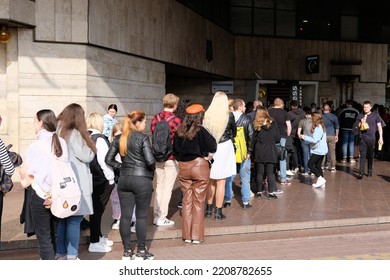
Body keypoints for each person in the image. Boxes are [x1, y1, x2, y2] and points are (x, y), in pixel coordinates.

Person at [105, 110, 156, 260]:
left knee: (125, 217)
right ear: (137, 123)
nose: (145, 124)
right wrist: (150, 171)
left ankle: (127, 251)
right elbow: (151, 161)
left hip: (125, 180)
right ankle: (141, 250)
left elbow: (108, 159)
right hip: (142, 180)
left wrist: (121, 168)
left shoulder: (120, 138)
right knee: (141, 216)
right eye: (144, 121)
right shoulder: (143, 138)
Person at [18, 110, 62, 259]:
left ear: (41, 122)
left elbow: (26, 174)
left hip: (40, 195)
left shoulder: (35, 146)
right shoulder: (61, 142)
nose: (33, 124)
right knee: (55, 234)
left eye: (34, 121)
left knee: (44, 238)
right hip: (59, 195)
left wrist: (24, 178)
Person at [56, 103, 96, 260]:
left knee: (62, 220)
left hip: (62, 183)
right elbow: (87, 156)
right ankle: (72, 255)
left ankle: (60, 254)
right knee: (74, 220)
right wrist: (90, 143)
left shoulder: (58, 132)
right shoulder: (75, 134)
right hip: (77, 183)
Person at [173, 104, 217, 243]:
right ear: (200, 116)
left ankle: (186, 236)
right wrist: (208, 157)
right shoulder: (202, 130)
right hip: (199, 166)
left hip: (184, 167)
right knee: (198, 202)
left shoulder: (179, 130)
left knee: (187, 201)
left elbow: (175, 150)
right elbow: (213, 146)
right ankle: (196, 236)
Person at [204, 91, 236, 219]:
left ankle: (208, 208)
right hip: (224, 146)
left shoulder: (207, 115)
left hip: (211, 146)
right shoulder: (229, 115)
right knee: (221, 181)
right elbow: (233, 131)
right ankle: (218, 211)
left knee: (211, 180)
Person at [150, 93, 181, 226]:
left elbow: (153, 135)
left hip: (157, 157)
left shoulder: (155, 118)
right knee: (167, 188)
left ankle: (156, 215)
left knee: (158, 187)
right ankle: (162, 217)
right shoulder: (176, 121)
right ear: (174, 105)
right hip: (171, 157)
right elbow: (178, 140)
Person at [86, 113, 115, 253]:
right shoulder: (100, 139)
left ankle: (98, 236)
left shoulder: (85, 136)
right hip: (101, 179)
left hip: (89, 178)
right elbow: (105, 162)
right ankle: (94, 241)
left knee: (96, 209)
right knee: (98, 210)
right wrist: (111, 178)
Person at [225, 99, 255, 208]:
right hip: (243, 151)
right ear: (241, 107)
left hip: (230, 150)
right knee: (245, 175)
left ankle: (227, 199)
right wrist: (249, 151)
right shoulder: (247, 118)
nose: (246, 108)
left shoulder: (227, 117)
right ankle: (245, 201)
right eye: (244, 106)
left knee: (229, 175)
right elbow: (251, 135)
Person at [251, 106, 281, 199]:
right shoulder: (273, 122)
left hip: (259, 150)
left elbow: (253, 139)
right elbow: (277, 138)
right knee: (270, 172)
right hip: (271, 150)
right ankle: (271, 193)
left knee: (259, 172)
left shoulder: (255, 123)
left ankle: (259, 192)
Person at [354, 101, 384, 179]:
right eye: (364, 107)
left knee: (370, 155)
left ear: (370, 108)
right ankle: (361, 172)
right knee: (362, 155)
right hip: (362, 138)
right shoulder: (360, 116)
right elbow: (356, 126)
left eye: (367, 107)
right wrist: (361, 122)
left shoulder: (375, 115)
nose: (365, 108)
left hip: (371, 138)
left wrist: (381, 137)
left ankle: (370, 169)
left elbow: (380, 127)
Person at [299, 112, 328, 188]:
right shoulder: (322, 126)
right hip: (322, 149)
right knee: (318, 166)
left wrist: (304, 137)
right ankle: (321, 182)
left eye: (312, 118)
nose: (311, 119)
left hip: (318, 150)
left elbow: (315, 140)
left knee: (310, 164)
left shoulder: (318, 127)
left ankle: (320, 178)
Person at [268, 98, 292, 186]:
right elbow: (289, 126)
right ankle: (283, 178)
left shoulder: (269, 111)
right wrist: (288, 135)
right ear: (281, 104)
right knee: (282, 156)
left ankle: (268, 177)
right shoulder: (285, 113)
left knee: (270, 156)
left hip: (270, 136)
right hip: (282, 136)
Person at [287, 100, 305, 174]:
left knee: (294, 150)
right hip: (302, 134)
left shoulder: (289, 114)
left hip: (292, 134)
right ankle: (303, 165)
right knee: (302, 150)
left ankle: (295, 165)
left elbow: (288, 125)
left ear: (291, 106)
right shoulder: (304, 113)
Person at [321, 102, 339, 172]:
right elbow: (337, 127)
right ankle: (333, 167)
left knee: (323, 152)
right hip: (332, 135)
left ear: (322, 109)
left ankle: (322, 166)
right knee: (332, 152)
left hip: (323, 136)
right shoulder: (334, 116)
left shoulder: (320, 117)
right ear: (330, 109)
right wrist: (336, 135)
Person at [297, 107, 313, 175]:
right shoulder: (314, 121)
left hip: (304, 139)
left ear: (305, 114)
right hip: (312, 140)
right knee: (312, 156)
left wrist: (301, 138)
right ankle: (312, 171)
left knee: (305, 155)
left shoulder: (302, 121)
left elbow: (298, 132)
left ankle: (306, 171)